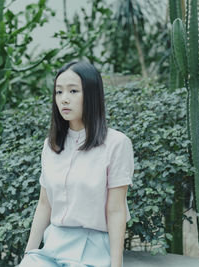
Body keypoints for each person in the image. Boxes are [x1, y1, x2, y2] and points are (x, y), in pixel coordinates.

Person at [18, 60, 134, 267]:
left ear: (90, 95)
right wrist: (28, 255)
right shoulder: (51, 145)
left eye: (73, 91)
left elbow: (116, 210)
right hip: (52, 245)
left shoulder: (116, 143)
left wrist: (117, 265)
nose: (64, 99)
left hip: (93, 248)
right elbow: (44, 204)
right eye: (58, 92)